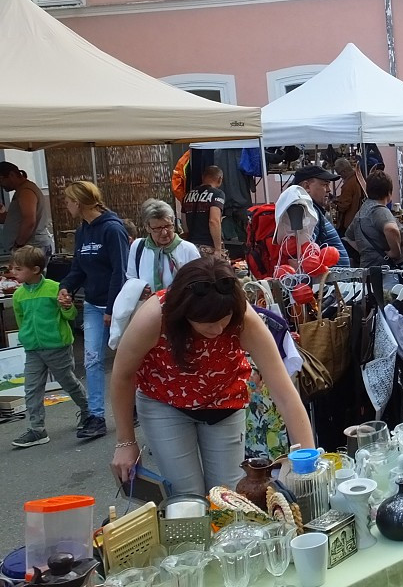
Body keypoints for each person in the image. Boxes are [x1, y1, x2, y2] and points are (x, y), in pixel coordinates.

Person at [109, 258, 316, 493]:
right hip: (165, 404)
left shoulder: (243, 319)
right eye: (207, 323)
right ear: (184, 313)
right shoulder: (155, 316)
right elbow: (122, 375)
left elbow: (285, 395)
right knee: (187, 497)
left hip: (224, 402)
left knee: (228, 496)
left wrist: (306, 460)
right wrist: (125, 441)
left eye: (223, 321)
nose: (217, 330)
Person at [58, 181, 130, 441]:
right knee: (92, 360)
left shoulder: (112, 229)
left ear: (79, 202)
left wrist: (112, 309)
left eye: (68, 201)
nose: (66, 206)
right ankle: (96, 416)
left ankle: (134, 406)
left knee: (126, 359)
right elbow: (78, 268)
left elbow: (119, 272)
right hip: (91, 305)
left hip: (116, 306)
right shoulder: (82, 231)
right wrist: (65, 287)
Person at [9, 246, 90, 448]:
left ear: (35, 269)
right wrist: (26, 337)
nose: (14, 272)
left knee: (69, 382)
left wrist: (68, 306)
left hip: (57, 347)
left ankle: (88, 410)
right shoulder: (19, 295)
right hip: (33, 349)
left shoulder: (55, 288)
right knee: (32, 388)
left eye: (19, 269)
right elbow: (21, 319)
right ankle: (37, 429)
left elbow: (69, 316)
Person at [127, 199, 200, 292]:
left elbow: (198, 282)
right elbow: (131, 278)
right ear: (147, 227)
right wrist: (139, 290)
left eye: (168, 226)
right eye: (157, 228)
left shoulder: (188, 249)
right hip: (147, 304)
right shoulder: (138, 247)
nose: (164, 233)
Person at [346, 169, 403, 268]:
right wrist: (394, 253)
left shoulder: (361, 212)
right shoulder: (379, 210)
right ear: (389, 193)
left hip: (368, 268)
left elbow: (349, 237)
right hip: (386, 271)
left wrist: (366, 251)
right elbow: (391, 229)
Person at [288, 166, 349, 261]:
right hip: (329, 275)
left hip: (332, 274)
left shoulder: (311, 210)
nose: (329, 190)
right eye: (324, 185)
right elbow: (307, 254)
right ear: (307, 186)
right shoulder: (308, 212)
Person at [0, 162, 53, 258]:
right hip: (29, 247)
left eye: (1, 179)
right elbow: (15, 218)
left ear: (12, 175)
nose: (1, 184)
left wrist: (18, 245)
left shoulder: (26, 191)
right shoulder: (22, 190)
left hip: (32, 247)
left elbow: (29, 220)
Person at [181, 165, 227, 258]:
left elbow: (184, 222)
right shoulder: (217, 194)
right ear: (220, 179)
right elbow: (214, 221)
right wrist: (218, 249)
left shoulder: (188, 195)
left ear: (203, 177)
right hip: (208, 247)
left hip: (190, 247)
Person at [333, 156, 367, 233]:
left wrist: (333, 204)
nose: (341, 177)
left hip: (349, 223)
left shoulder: (348, 185)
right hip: (359, 219)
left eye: (340, 174)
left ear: (344, 171)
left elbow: (343, 206)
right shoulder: (358, 178)